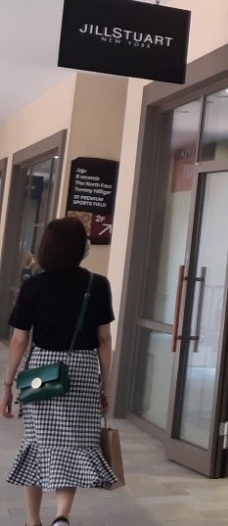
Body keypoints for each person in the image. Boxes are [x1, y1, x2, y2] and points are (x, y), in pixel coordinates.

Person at [1, 217, 118, 526]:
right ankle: (61, 516)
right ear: (80, 247)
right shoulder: (97, 284)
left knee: (37, 443)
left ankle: (32, 521)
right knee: (73, 443)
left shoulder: (33, 285)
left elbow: (19, 340)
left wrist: (7, 385)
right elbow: (104, 340)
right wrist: (105, 385)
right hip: (82, 370)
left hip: (42, 370)